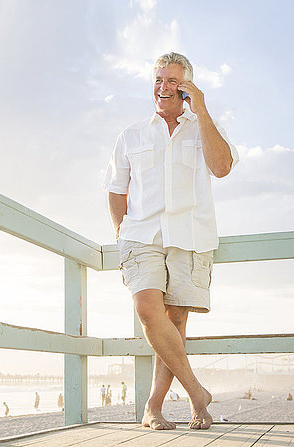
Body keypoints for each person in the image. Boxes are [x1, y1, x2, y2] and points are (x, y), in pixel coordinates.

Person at [102, 52, 239, 431]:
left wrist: (203, 109)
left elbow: (222, 167)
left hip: (190, 235)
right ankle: (197, 391)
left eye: (173, 81)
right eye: (158, 80)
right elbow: (116, 190)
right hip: (141, 234)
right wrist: (120, 230)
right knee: (148, 309)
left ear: (187, 86)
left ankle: (153, 408)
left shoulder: (205, 126)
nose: (163, 87)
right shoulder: (131, 135)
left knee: (175, 322)